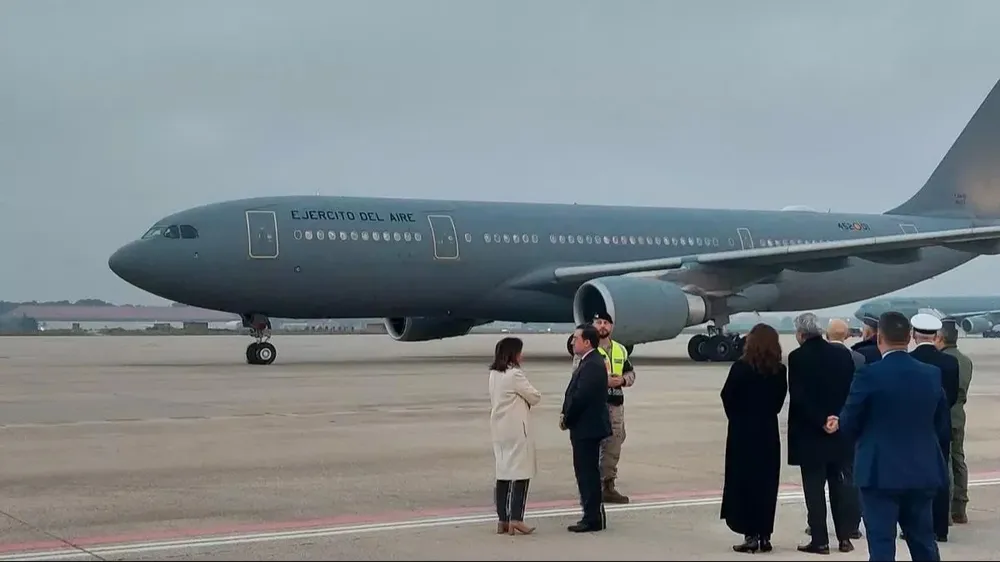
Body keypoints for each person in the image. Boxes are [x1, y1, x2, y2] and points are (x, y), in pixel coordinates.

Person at [828, 311, 950, 562]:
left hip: (879, 472)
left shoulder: (869, 374)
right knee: (924, 544)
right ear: (909, 337)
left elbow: (849, 423)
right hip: (921, 469)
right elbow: (942, 424)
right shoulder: (931, 374)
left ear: (879, 337)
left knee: (882, 547)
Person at [787, 312, 860, 554]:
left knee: (814, 489)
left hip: (810, 433)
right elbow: (851, 391)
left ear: (801, 334)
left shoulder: (797, 358)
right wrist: (837, 419)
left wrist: (821, 421)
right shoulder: (842, 355)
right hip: (839, 430)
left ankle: (819, 539)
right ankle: (844, 538)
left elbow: (799, 398)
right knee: (839, 486)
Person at [720, 323, 788, 554]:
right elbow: (778, 402)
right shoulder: (779, 370)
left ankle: (749, 534)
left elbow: (727, 396)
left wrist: (737, 417)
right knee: (766, 483)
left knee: (744, 481)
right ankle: (765, 534)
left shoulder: (740, 368)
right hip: (767, 430)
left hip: (742, 430)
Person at [909, 312, 960, 542]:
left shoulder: (909, 361)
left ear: (913, 335)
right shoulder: (950, 362)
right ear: (936, 335)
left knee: (912, 477)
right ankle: (940, 527)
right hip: (940, 425)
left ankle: (913, 525)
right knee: (940, 476)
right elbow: (951, 398)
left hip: (912, 428)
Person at [561, 323, 612, 533]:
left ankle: (592, 518)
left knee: (587, 474)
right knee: (588, 472)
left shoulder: (591, 364)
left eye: (576, 338)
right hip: (587, 426)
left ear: (587, 342)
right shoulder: (589, 361)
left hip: (587, 427)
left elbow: (581, 397)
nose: (573, 342)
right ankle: (594, 515)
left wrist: (567, 418)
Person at [489, 336, 541, 536]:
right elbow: (534, 396)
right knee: (521, 474)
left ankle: (502, 519)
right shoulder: (514, 375)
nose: (522, 355)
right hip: (517, 430)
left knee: (502, 474)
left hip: (499, 429)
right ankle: (516, 518)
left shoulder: (494, 374)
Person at [589, 311, 636, 504]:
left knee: (614, 444)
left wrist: (623, 380)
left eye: (606, 323)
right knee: (592, 445)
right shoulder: (587, 349)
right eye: (599, 322)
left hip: (615, 404)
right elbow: (578, 376)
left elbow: (631, 372)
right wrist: (604, 381)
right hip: (594, 405)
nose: (602, 326)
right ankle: (591, 486)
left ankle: (607, 485)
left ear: (611, 327)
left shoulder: (620, 350)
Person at [936, 319, 974, 525]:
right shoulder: (965, 360)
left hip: (945, 414)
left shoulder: (942, 362)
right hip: (959, 414)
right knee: (959, 459)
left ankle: (947, 508)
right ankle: (960, 506)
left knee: (945, 461)